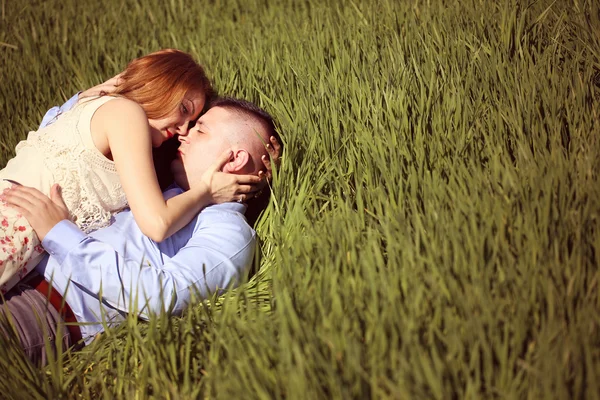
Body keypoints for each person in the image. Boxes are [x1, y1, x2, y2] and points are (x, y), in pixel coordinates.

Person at [0, 95, 282, 367]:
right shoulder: (164, 188)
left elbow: (162, 296)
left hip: (42, 308)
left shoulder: (230, 234)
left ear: (235, 160)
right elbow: (70, 140)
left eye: (201, 130)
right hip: (19, 268)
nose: (184, 135)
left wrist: (60, 234)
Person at [0, 49, 264, 294]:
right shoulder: (127, 115)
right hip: (13, 227)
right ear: (159, 86)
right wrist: (207, 191)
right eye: (183, 109)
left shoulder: (98, 108)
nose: (184, 130)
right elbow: (157, 225)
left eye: (192, 122)